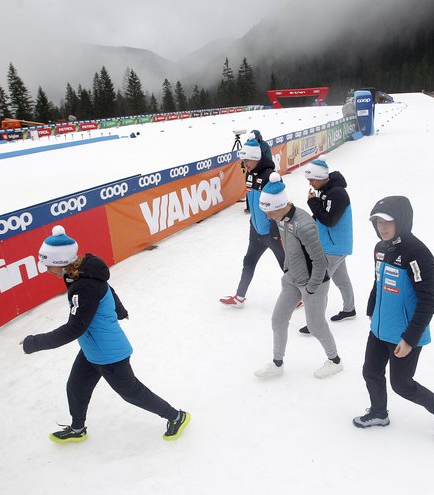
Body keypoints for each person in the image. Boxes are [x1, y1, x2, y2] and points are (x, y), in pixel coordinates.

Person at [21, 226, 190, 443]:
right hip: (93, 347)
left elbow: (74, 328)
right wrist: (120, 310)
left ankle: (176, 416)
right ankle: (77, 428)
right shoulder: (81, 273)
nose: (46, 269)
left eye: (47, 264)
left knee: (130, 392)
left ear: (61, 262)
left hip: (109, 353)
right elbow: (107, 288)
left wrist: (33, 343)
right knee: (76, 387)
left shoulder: (84, 286)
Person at [353, 196, 434, 439]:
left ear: (401, 220)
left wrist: (410, 338)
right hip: (380, 328)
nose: (382, 227)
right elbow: (378, 280)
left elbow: (429, 301)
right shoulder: (381, 248)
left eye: (388, 221)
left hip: (405, 334)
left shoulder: (417, 253)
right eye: (378, 222)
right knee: (371, 371)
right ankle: (379, 412)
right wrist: (371, 310)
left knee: (402, 384)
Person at [254, 173, 343, 379]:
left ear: (279, 205)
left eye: (268, 211)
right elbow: (289, 248)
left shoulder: (304, 225)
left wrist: (310, 288)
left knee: (316, 326)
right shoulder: (281, 219)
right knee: (278, 320)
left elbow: (320, 261)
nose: (267, 216)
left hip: (314, 283)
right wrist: (287, 270)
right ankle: (277, 364)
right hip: (292, 279)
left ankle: (335, 361)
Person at [219, 138, 285, 308]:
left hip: (272, 231)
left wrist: (274, 225)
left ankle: (301, 296)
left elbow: (280, 204)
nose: (244, 164)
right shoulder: (249, 174)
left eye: (247, 160)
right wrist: (252, 222)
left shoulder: (270, 176)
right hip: (256, 230)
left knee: (285, 264)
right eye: (243, 161)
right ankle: (240, 297)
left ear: (256, 158)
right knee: (248, 261)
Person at [299, 155, 355, 335]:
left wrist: (312, 202)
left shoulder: (337, 193)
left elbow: (329, 220)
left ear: (322, 177)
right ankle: (349, 309)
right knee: (341, 279)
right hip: (333, 245)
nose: (310, 183)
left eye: (311, 179)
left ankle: (315, 323)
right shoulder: (327, 190)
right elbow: (321, 217)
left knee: (318, 285)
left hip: (334, 247)